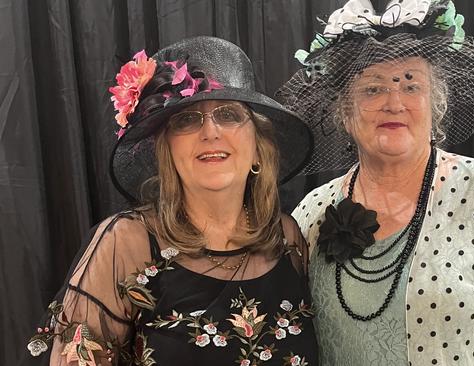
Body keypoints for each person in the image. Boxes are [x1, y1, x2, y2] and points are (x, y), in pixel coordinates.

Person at [278, 0, 474, 365]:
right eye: (372, 89)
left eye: (411, 86)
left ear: (435, 104)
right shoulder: (313, 212)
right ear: (345, 112)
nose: (394, 103)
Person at [26, 36, 317, 366]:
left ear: (258, 148)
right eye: (188, 119)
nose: (211, 133)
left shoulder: (286, 236)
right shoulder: (128, 244)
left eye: (229, 114)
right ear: (167, 152)